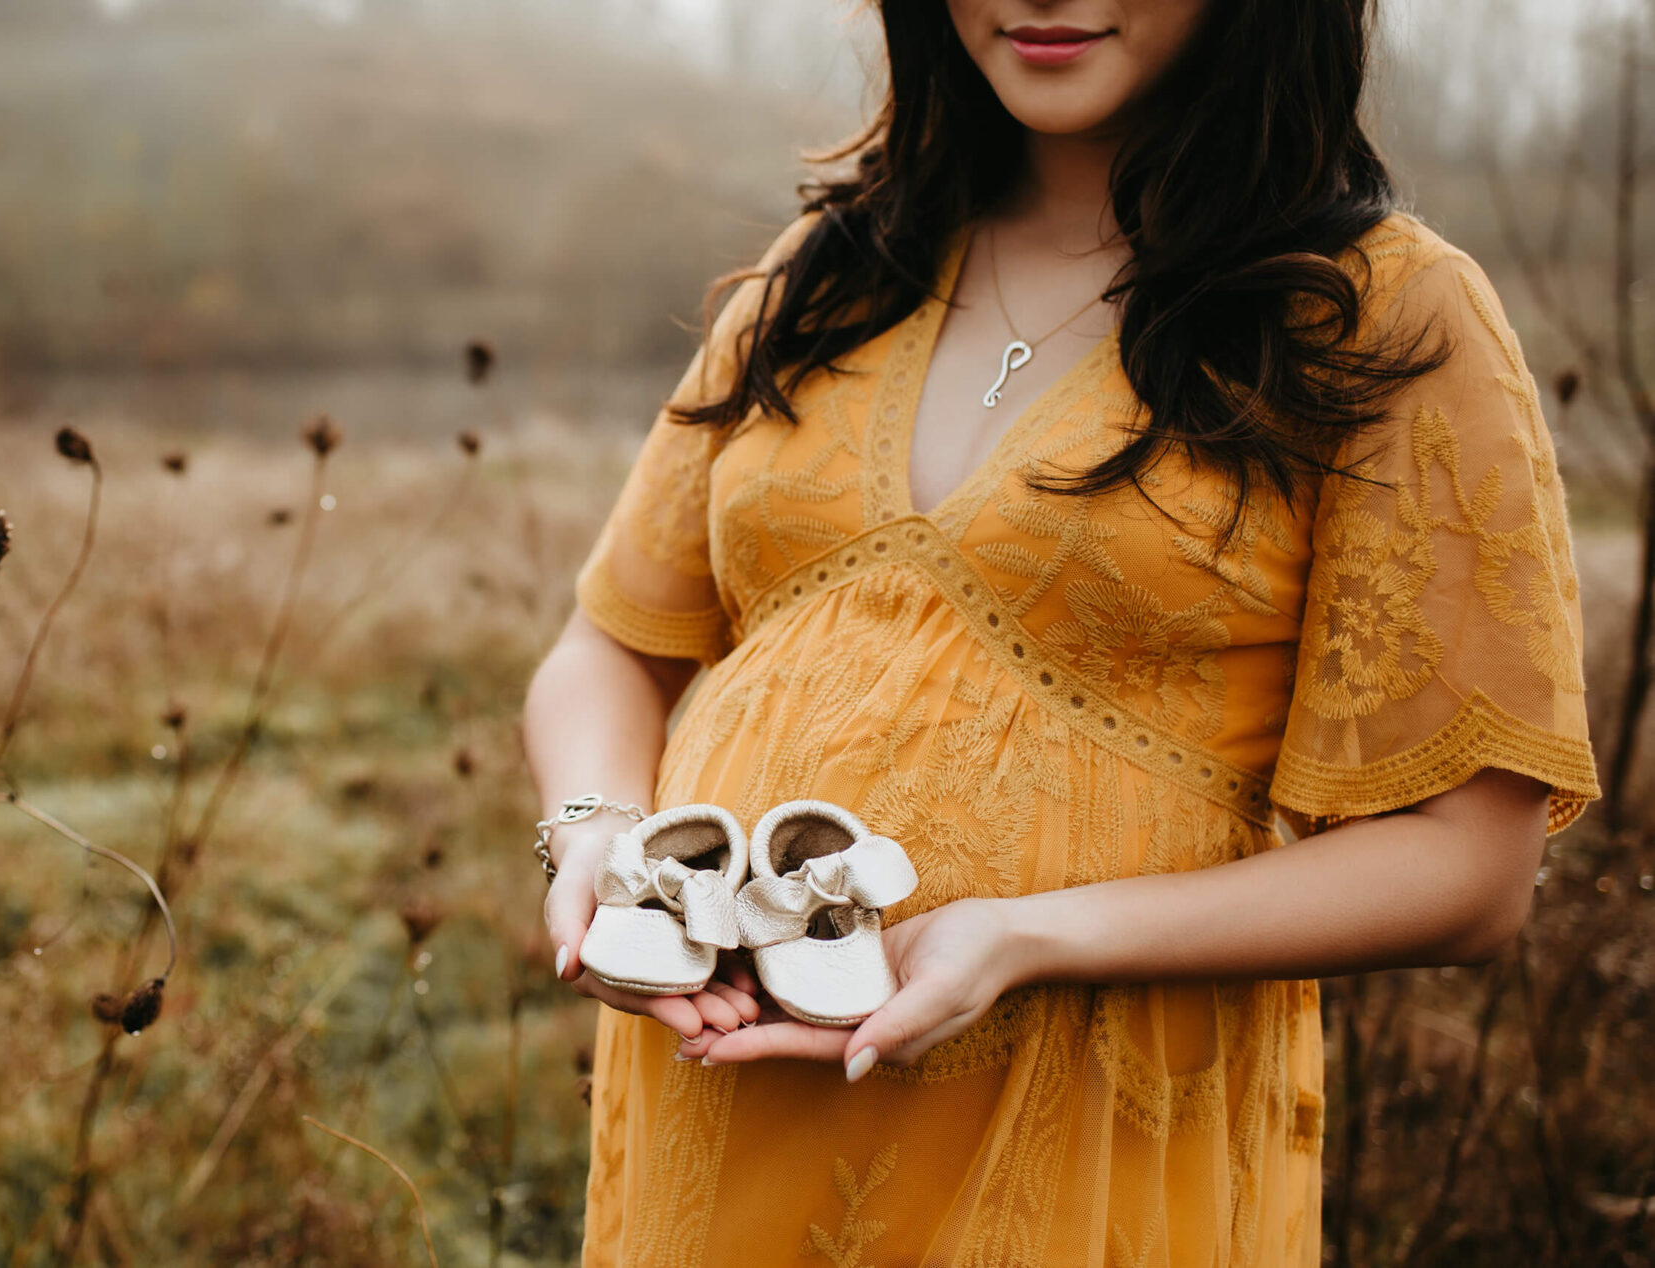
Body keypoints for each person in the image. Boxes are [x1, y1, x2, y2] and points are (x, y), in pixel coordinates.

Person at [520, 1, 1601, 1262]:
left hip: (1080, 1133)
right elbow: (610, 644)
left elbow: (1467, 864)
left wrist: (1028, 936)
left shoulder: (1377, 313)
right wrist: (597, 833)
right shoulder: (826, 270)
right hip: (715, 1110)